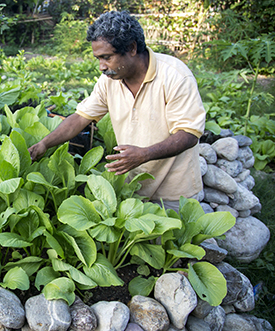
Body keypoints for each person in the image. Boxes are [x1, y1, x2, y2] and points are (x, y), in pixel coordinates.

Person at [28, 11, 205, 211]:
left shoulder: (175, 76)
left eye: (107, 57)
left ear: (131, 48)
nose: (101, 67)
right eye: (98, 58)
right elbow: (79, 118)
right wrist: (44, 144)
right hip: (132, 188)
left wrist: (144, 154)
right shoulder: (109, 81)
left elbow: (189, 134)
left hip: (173, 193)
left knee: (170, 242)